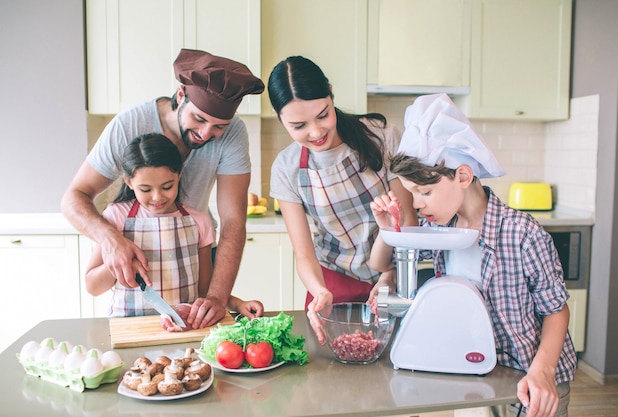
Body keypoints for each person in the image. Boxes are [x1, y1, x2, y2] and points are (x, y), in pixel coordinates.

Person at [370, 93, 576, 417]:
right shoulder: (439, 229)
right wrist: (387, 229)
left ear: (463, 176)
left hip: (531, 378)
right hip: (476, 374)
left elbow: (556, 311)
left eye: (424, 192)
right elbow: (380, 264)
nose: (418, 204)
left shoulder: (522, 234)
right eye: (411, 193)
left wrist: (543, 372)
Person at [61, 48, 265, 327]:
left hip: (189, 265)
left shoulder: (232, 136)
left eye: (219, 126)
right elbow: (73, 198)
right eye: (199, 119)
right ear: (181, 96)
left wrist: (218, 298)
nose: (206, 134)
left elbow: (233, 221)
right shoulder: (128, 125)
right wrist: (112, 242)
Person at [267, 56, 419, 344]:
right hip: (332, 285)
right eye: (299, 125)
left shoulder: (380, 136)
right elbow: (304, 253)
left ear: (332, 95)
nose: (316, 132)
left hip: (393, 275)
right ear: (280, 119)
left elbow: (408, 219)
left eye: (323, 115)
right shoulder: (286, 168)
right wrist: (319, 290)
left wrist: (392, 274)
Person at [84, 133, 264, 326]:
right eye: (145, 189)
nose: (157, 197)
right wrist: (121, 265)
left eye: (167, 186)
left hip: (183, 329)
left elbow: (204, 291)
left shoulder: (199, 221)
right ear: (128, 182)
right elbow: (93, 286)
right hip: (129, 328)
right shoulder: (116, 217)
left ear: (179, 174)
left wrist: (237, 303)